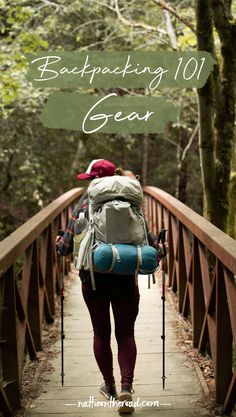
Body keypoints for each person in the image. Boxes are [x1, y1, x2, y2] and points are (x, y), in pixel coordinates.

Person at [56, 159, 157, 414]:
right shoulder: (133, 203)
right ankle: (126, 387)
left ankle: (109, 386)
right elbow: (150, 243)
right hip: (125, 278)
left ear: (94, 180)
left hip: (94, 279)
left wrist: (60, 242)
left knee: (100, 334)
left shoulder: (85, 204)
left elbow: (65, 247)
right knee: (126, 334)